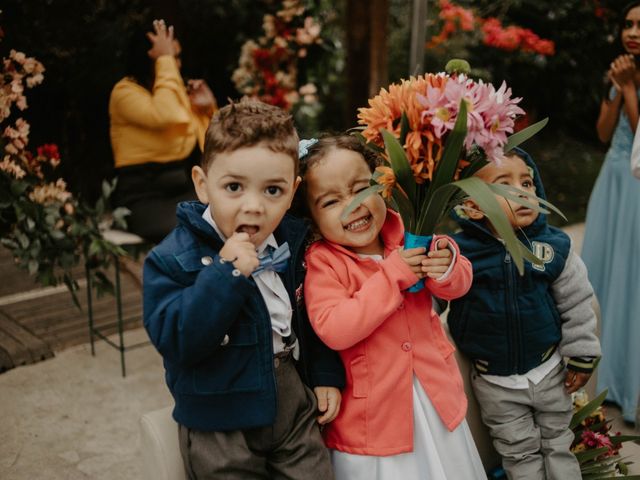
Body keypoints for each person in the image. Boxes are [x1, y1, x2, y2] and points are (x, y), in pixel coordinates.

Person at [142, 99, 345, 479]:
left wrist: (325, 375)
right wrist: (224, 275)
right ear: (203, 185)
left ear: (293, 191)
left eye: (273, 191)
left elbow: (313, 315)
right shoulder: (171, 258)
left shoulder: (294, 240)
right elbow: (177, 340)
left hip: (291, 402)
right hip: (220, 420)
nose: (254, 207)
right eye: (234, 187)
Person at [296, 135, 487, 480]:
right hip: (374, 419)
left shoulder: (409, 233)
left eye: (360, 188)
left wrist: (445, 266)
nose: (353, 206)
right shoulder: (324, 263)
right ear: (310, 217)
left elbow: (459, 285)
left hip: (433, 396)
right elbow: (335, 327)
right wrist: (392, 276)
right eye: (330, 201)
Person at [448, 148, 601, 479]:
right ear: (472, 206)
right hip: (495, 381)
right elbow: (435, 295)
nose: (522, 192)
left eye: (528, 183)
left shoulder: (553, 248)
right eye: (504, 184)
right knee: (519, 454)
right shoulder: (461, 254)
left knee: (558, 444)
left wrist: (582, 353)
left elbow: (577, 302)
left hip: (550, 370)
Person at [582, 1, 640, 423]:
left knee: (630, 278)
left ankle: (629, 382)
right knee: (601, 275)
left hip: (638, 183)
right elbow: (605, 133)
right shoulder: (619, 71)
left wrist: (633, 89)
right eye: (628, 24)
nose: (632, 31)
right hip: (612, 180)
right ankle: (600, 382)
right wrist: (619, 89)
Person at [109, 19, 217, 243]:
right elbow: (167, 116)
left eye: (176, 56)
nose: (176, 64)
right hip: (142, 201)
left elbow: (210, 145)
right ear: (151, 58)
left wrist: (208, 111)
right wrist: (164, 61)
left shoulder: (171, 92)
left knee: (230, 212)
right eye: (170, 56)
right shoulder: (124, 92)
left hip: (181, 192)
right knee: (201, 228)